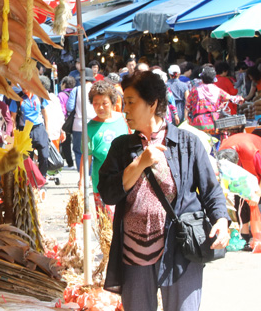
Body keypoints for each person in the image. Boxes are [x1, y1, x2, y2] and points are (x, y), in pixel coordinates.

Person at [98, 70, 230, 311]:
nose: (124, 109)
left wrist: (221, 220)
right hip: (133, 254)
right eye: (123, 102)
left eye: (130, 102)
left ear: (152, 103)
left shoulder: (188, 143)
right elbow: (108, 192)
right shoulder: (122, 147)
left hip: (180, 251)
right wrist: (139, 164)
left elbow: (211, 191)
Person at [78, 81, 129, 218]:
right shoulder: (89, 128)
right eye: (96, 103)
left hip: (128, 181)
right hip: (102, 185)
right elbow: (86, 156)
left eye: (104, 103)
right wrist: (82, 183)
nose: (100, 107)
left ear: (113, 103)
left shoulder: (126, 121)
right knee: (106, 229)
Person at [219, 132, 261, 247]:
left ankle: (257, 236)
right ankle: (245, 236)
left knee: (256, 202)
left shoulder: (252, 153)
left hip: (256, 168)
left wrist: (258, 193)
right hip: (245, 173)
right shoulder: (223, 153)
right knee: (240, 199)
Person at [186, 66, 244, 134]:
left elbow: (188, 105)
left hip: (198, 124)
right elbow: (231, 98)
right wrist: (240, 98)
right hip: (214, 123)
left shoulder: (195, 90)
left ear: (202, 78)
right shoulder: (217, 90)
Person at [10, 86, 50, 178]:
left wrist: (47, 129)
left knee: (44, 155)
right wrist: (14, 133)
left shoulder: (39, 95)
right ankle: (29, 180)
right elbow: (13, 118)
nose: (23, 86)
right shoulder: (17, 98)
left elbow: (45, 112)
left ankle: (42, 177)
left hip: (39, 128)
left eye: (25, 84)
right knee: (27, 158)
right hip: (25, 130)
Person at [67, 68, 97, 173]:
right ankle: (90, 175)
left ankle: (82, 176)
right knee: (92, 151)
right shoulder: (96, 90)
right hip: (94, 124)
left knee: (79, 151)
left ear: (81, 79)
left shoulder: (76, 90)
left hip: (78, 125)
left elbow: (69, 107)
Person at [40, 76, 65, 151]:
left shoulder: (37, 98)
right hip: (55, 133)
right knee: (54, 157)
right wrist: (61, 130)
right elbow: (61, 117)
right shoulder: (54, 98)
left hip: (43, 134)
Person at [58, 76, 76, 168]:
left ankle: (70, 163)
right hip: (76, 119)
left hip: (66, 121)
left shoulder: (61, 95)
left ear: (64, 84)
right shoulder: (76, 92)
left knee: (66, 142)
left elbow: (61, 109)